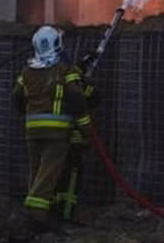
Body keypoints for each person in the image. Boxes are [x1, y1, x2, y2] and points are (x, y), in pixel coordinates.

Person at [12, 26, 93, 231]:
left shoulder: (26, 71)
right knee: (49, 171)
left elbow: (16, 98)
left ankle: (40, 212)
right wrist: (86, 130)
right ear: (58, 44)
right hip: (57, 132)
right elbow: (77, 102)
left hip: (32, 130)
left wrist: (31, 114)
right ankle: (34, 212)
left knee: (36, 171)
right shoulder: (64, 70)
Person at [54, 52, 99, 224]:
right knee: (71, 178)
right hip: (72, 139)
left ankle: (53, 214)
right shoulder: (73, 86)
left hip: (53, 139)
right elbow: (89, 103)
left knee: (55, 176)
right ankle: (65, 216)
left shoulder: (48, 80)